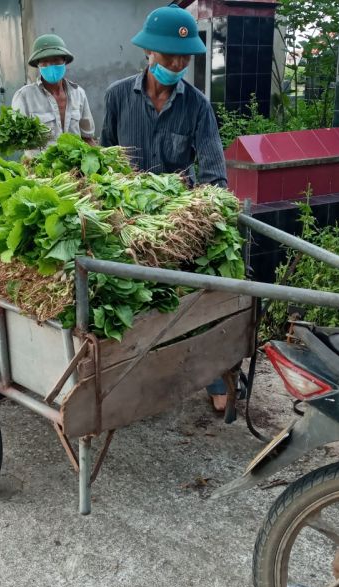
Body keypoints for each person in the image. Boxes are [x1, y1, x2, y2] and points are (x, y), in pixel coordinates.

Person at [101, 3, 232, 411]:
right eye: (169, 56)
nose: (177, 64)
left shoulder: (197, 106)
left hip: (175, 222)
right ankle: (123, 374)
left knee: (201, 296)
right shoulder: (118, 96)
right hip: (125, 218)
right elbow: (104, 163)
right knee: (126, 301)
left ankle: (213, 374)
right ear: (149, 54)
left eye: (184, 58)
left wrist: (197, 214)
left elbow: (213, 173)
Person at [11, 34, 95, 155]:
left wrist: (99, 158)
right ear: (38, 65)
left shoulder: (79, 94)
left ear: (64, 61)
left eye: (56, 60)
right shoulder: (24, 96)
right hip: (40, 171)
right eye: (44, 62)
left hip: (75, 170)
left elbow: (87, 138)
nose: (50, 66)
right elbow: (18, 141)